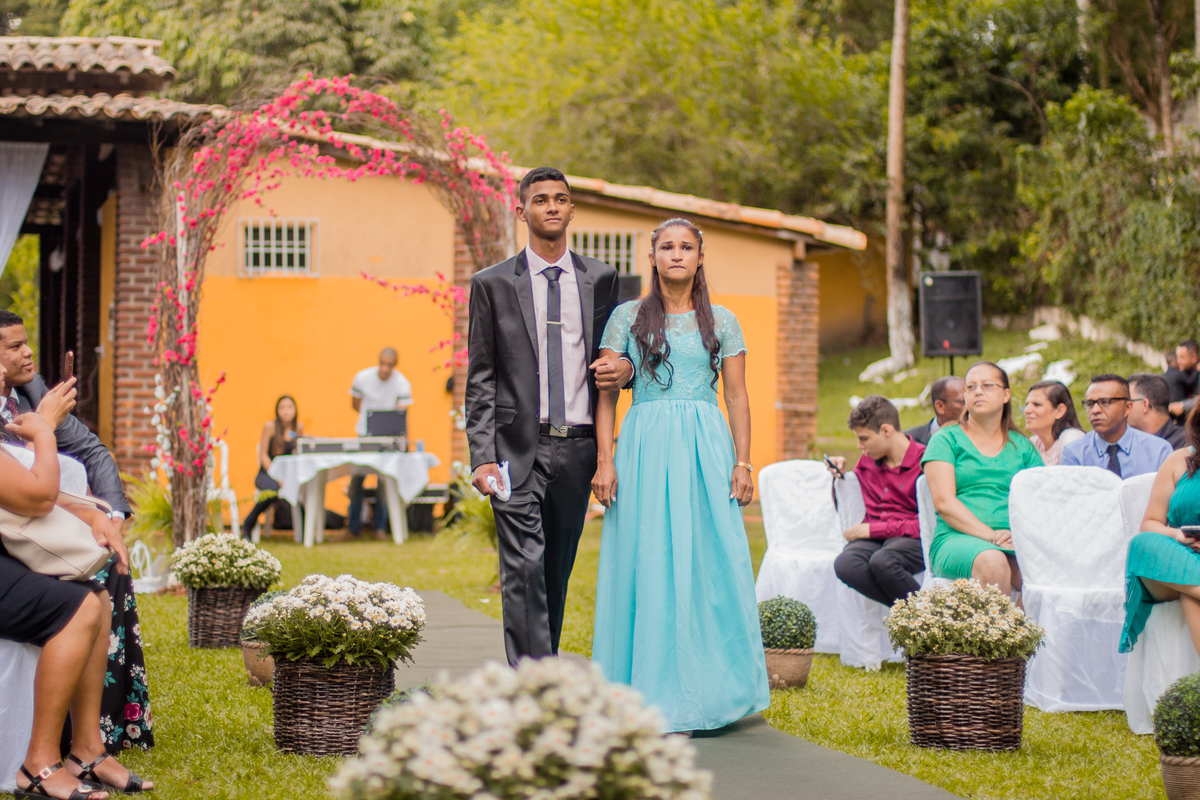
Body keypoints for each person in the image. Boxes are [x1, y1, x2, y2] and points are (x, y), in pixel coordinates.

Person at [590, 217, 768, 733]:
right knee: (647, 560)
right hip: (644, 445)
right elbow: (605, 395)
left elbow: (736, 395)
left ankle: (713, 693)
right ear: (652, 257)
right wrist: (606, 461)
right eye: (666, 246)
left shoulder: (725, 320)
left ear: (699, 257)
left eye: (685, 247)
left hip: (705, 448)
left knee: (710, 562)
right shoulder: (626, 317)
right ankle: (645, 695)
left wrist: (742, 461)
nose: (675, 254)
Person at [466, 167, 632, 664]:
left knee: (554, 570)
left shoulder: (601, 278)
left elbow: (613, 356)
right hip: (517, 450)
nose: (552, 207)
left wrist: (623, 368)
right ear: (523, 212)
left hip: (579, 447)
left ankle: (544, 668)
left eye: (561, 199)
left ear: (572, 210)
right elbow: (480, 375)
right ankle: (532, 683)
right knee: (521, 568)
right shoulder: (491, 284)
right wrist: (481, 456)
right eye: (541, 200)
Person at [0, 316, 152, 754]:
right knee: (85, 597)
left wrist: (108, 516)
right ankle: (53, 750)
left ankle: (105, 734)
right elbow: (34, 492)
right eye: (15, 347)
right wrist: (44, 427)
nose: (28, 353)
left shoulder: (33, 391)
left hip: (46, 527)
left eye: (27, 343)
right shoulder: (38, 407)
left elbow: (91, 451)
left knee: (109, 571)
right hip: (20, 535)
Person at [922, 362, 1043, 596]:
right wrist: (991, 536)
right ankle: (998, 634)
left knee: (1044, 574)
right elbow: (944, 503)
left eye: (987, 385)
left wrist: (1016, 536)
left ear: (1006, 394)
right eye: (971, 387)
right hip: (957, 539)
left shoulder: (1022, 446)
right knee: (993, 562)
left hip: (1013, 539)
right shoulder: (946, 440)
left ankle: (1020, 632)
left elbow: (1039, 501)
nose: (978, 391)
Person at [826, 395, 925, 607]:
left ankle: (931, 620)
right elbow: (844, 504)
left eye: (864, 438)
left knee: (884, 562)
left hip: (913, 539)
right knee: (845, 564)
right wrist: (840, 477)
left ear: (886, 431)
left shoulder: (924, 463)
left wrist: (872, 530)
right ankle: (914, 614)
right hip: (877, 539)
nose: (859, 446)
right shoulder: (867, 461)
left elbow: (928, 523)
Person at [1121, 410, 1200, 659]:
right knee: (1142, 543)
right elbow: (1151, 523)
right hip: (1177, 556)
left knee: (1192, 598)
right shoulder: (1179, 460)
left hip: (1190, 583)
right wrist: (1177, 535)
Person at [347, 349, 412, 537]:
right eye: (382, 363)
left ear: (395, 365)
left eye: (389, 365)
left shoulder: (402, 384)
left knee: (384, 480)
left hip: (388, 439)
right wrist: (371, 422)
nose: (385, 368)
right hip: (364, 435)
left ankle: (380, 528)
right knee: (357, 479)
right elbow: (355, 404)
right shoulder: (362, 378)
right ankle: (353, 527)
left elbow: (402, 414)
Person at [1060, 374, 1173, 477]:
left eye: (1105, 402)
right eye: (1090, 404)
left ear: (1128, 407)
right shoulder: (1074, 454)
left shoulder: (1159, 451)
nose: (1095, 410)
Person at [240, 395, 304, 539]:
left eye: (289, 407)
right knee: (272, 490)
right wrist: (277, 476)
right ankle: (248, 523)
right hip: (268, 473)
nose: (286, 411)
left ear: (295, 410)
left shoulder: (298, 427)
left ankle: (303, 531)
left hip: (288, 475)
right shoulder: (270, 427)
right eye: (282, 408)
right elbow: (263, 455)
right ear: (277, 411)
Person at [1022, 380, 1085, 466]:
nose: (1027, 411)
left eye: (1037, 404)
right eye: (1027, 404)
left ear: (1059, 411)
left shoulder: (1072, 439)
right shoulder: (1035, 443)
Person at [1129, 373, 1187, 450]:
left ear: (1145, 405)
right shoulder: (1133, 444)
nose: (1124, 409)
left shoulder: (1187, 445)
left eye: (1128, 403)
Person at [905, 376, 965, 446]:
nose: (969, 407)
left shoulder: (978, 437)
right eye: (963, 402)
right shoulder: (908, 441)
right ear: (940, 406)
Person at [1167, 339, 1200, 419]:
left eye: (1182, 358)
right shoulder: (1184, 372)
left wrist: (1183, 406)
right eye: (1177, 357)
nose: (1178, 361)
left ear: (1194, 358)